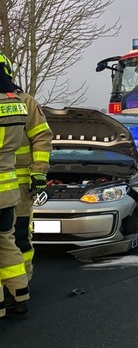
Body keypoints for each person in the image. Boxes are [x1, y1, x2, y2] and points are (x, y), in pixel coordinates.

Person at [0, 53, 31, 320]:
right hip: (8, 188)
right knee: (7, 241)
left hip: (10, 187)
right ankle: (20, 291)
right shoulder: (18, 105)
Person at [13, 79, 52, 281]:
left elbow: (42, 138)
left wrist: (38, 172)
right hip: (14, 185)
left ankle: (21, 284)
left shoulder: (25, 102)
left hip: (19, 186)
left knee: (19, 235)